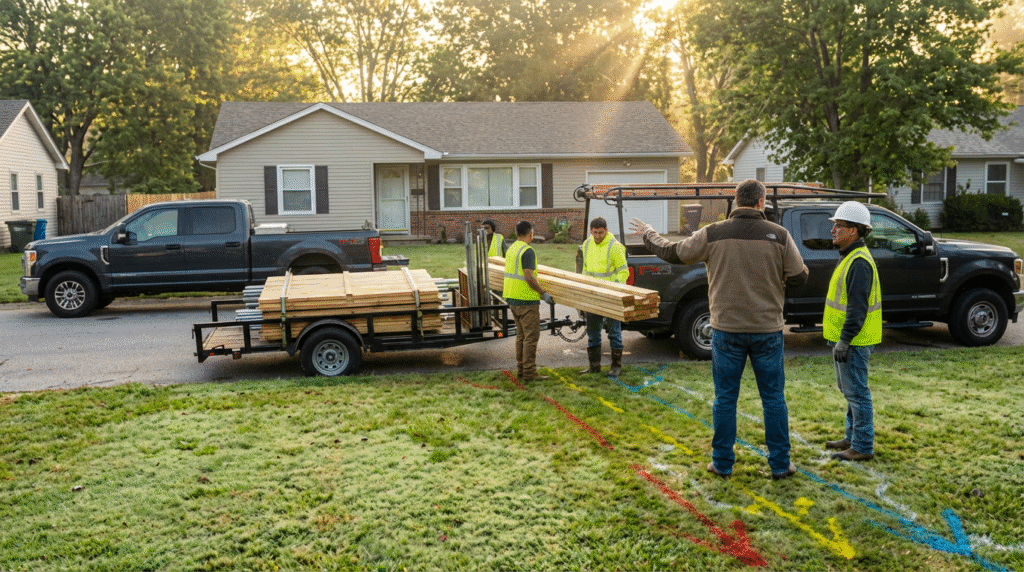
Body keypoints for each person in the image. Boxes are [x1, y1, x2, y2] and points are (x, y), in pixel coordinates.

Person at [629, 179, 808, 480]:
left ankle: (722, 463)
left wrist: (648, 234)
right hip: (767, 330)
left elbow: (674, 253)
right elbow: (800, 276)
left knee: (725, 397)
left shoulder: (713, 233)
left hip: (726, 330)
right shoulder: (779, 235)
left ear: (736, 201)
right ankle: (780, 464)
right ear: (761, 203)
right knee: (774, 398)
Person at [824, 201, 881, 462]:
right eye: (834, 225)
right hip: (848, 340)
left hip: (855, 341)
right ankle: (852, 437)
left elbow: (857, 309)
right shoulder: (851, 257)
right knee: (851, 392)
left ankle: (862, 446)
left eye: (839, 225)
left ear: (854, 231)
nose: (834, 229)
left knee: (857, 394)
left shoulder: (858, 262)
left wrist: (845, 341)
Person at [576, 217, 629, 376]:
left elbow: (623, 272)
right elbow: (585, 270)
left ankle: (616, 367)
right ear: (590, 231)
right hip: (593, 296)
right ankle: (594, 366)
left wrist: (610, 286)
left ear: (606, 231)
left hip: (611, 296)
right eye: (594, 233)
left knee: (614, 332)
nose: (598, 236)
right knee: (593, 334)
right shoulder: (586, 245)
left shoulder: (615, 247)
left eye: (600, 232)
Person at [503, 220, 554, 381]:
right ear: (531, 233)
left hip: (513, 298)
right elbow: (529, 276)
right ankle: (530, 373)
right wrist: (543, 293)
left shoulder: (512, 248)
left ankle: (521, 370)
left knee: (521, 337)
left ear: (517, 233)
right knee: (531, 338)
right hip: (526, 300)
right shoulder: (528, 251)